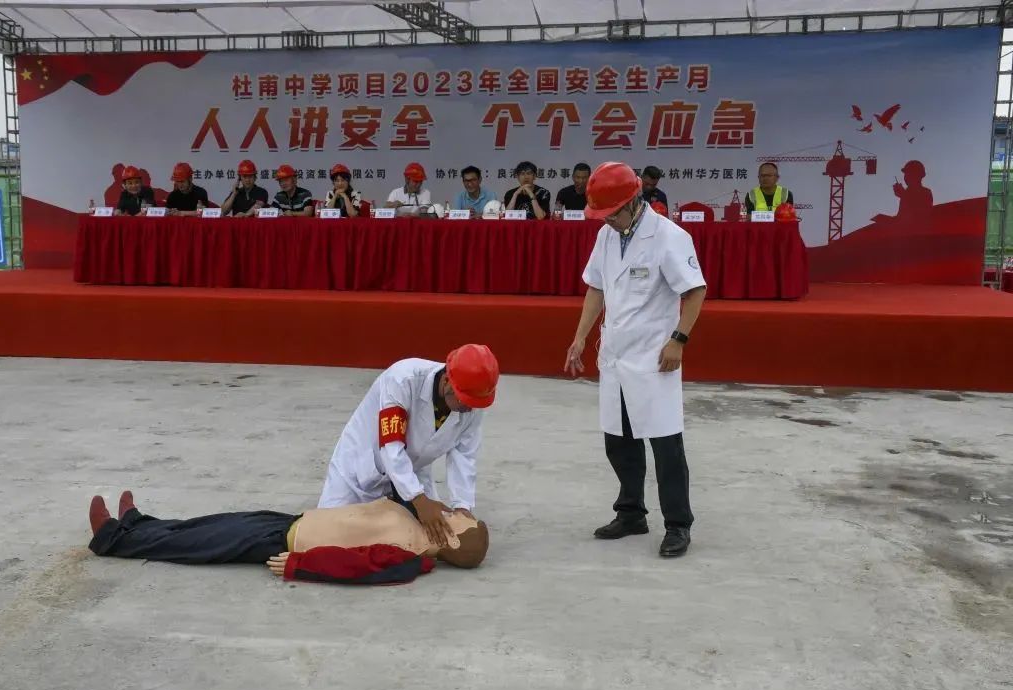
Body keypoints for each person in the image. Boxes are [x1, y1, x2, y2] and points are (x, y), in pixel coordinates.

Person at [564, 161, 707, 558]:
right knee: (619, 440)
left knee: (665, 445)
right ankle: (630, 513)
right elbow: (596, 287)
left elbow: (695, 291)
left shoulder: (669, 237)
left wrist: (678, 340)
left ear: (632, 202)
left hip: (653, 356)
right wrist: (580, 337)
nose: (607, 220)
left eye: (612, 213)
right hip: (615, 353)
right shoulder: (606, 235)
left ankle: (678, 524)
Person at [318, 344, 498, 548]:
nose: (469, 409)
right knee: (328, 537)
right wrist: (418, 499)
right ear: (447, 381)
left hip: (414, 472)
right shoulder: (402, 379)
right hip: (361, 465)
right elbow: (391, 446)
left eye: (474, 403)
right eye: (464, 401)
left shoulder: (472, 403)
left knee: (423, 540)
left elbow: (465, 456)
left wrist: (462, 506)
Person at [87, 491, 489, 574]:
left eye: (461, 520)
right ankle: (138, 522)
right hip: (291, 521)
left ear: (452, 540)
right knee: (210, 524)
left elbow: (356, 566)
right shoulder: (419, 518)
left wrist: (300, 565)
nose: (457, 512)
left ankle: (113, 538)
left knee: (198, 543)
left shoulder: (410, 555)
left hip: (282, 542)